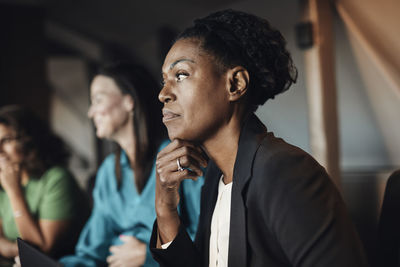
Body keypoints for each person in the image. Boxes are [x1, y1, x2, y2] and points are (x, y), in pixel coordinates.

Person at [150, 9, 368, 267]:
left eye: (181, 75)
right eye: (164, 80)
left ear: (235, 84)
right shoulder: (214, 179)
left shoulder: (284, 170)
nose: (163, 94)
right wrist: (165, 207)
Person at [60, 62, 203, 267]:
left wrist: (149, 256)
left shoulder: (178, 158)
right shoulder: (108, 172)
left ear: (129, 101)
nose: (91, 112)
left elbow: (206, 237)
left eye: (98, 100)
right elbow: (91, 252)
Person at [0, 105, 88, 262]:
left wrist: (14, 192)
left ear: (28, 139)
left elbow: (43, 249)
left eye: (5, 140)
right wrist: (17, 250)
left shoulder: (56, 179)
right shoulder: (3, 184)